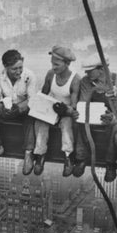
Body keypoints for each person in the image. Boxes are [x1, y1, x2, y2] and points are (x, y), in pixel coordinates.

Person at [76, 58, 117, 183]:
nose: (86, 74)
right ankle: (81, 158)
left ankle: (110, 163)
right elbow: (84, 102)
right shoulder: (86, 81)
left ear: (101, 69)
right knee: (80, 122)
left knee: (115, 126)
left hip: (112, 115)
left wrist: (112, 116)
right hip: (93, 114)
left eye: (90, 71)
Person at [32, 44, 83, 176]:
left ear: (66, 64)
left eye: (57, 65)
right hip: (51, 109)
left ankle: (68, 156)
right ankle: (40, 155)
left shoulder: (75, 80)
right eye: (52, 64)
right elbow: (44, 93)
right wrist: (39, 106)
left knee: (66, 126)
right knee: (41, 123)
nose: (53, 67)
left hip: (65, 112)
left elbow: (74, 105)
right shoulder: (50, 74)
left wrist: (65, 109)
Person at [0, 48, 35, 170]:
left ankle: (28, 153)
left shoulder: (29, 75)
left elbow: (32, 99)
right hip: (7, 107)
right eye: (14, 69)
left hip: (23, 108)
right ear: (5, 66)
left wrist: (19, 108)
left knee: (31, 116)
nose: (18, 71)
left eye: (20, 67)